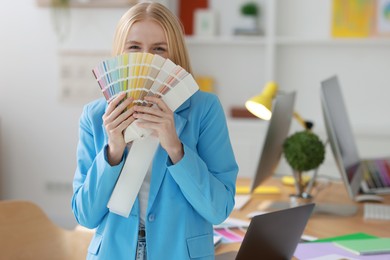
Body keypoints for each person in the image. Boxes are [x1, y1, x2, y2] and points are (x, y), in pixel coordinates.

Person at [71, 2, 238, 260]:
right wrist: (113, 151)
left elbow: (218, 210)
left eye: (159, 49)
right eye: (134, 47)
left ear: (175, 55)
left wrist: (174, 147)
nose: (146, 58)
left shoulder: (204, 110)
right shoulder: (95, 116)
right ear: (120, 52)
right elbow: (85, 215)